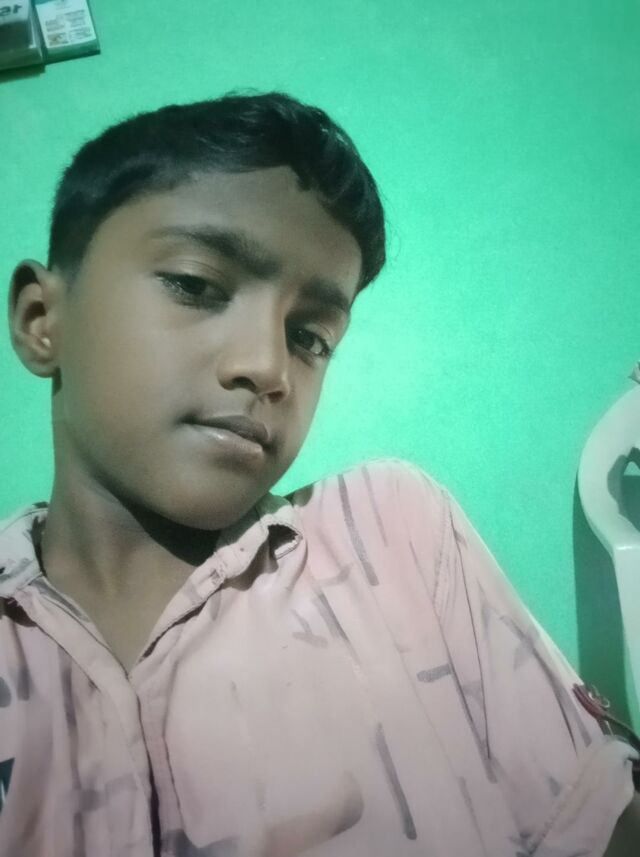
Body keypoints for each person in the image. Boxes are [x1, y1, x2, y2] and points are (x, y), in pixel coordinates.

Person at [2, 89, 638, 857]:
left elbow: (603, 819)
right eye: (195, 284)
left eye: (309, 337)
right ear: (42, 319)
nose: (268, 367)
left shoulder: (392, 536)